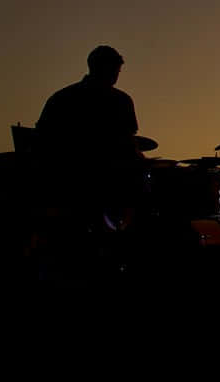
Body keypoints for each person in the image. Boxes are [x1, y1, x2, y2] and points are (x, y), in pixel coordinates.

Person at [35, 45, 142, 303]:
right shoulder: (119, 101)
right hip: (101, 190)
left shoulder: (60, 98)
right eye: (115, 70)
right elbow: (128, 145)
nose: (116, 76)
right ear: (106, 69)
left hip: (64, 191)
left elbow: (41, 143)